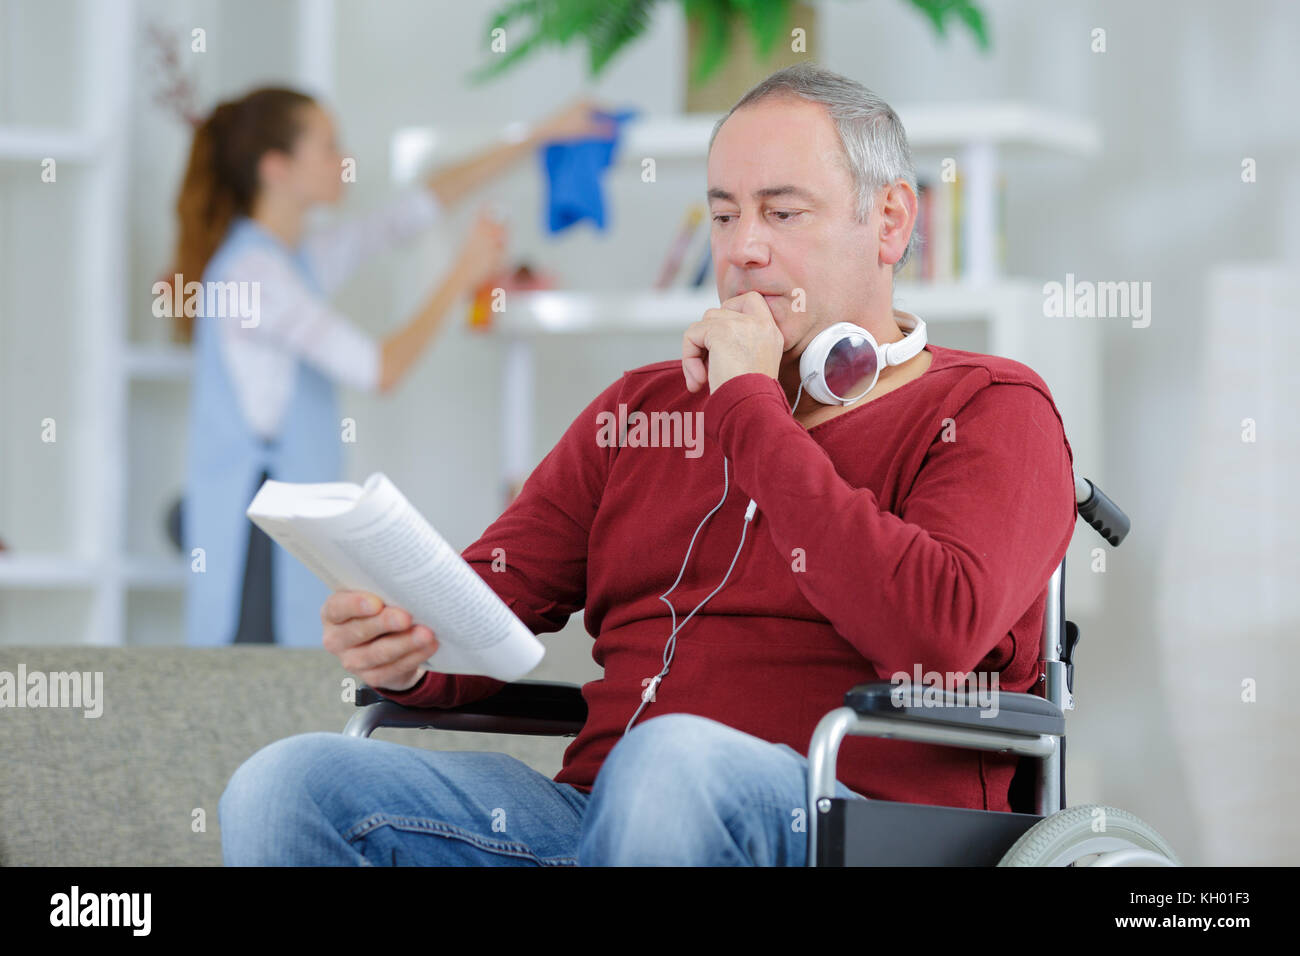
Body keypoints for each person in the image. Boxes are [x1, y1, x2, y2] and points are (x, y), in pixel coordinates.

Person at [219, 64, 1077, 865]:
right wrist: (409, 644)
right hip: (600, 820)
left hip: (840, 816)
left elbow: (931, 628)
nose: (743, 249)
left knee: (668, 764)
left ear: (889, 221)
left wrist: (750, 406)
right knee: (286, 786)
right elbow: (492, 596)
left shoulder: (990, 408)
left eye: (783, 214)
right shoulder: (642, 409)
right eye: (724, 212)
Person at [175, 87, 613, 647]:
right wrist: (461, 276)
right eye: (329, 146)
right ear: (277, 169)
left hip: (283, 511)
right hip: (255, 525)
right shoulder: (255, 276)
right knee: (259, 682)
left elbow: (416, 208)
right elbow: (380, 370)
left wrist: (537, 134)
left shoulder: (293, 256)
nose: (345, 158)